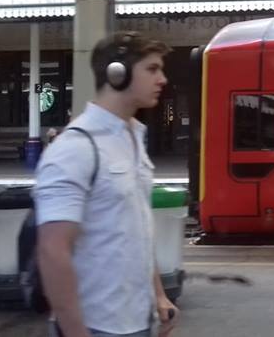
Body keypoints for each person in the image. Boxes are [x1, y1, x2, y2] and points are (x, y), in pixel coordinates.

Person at [33, 31, 178, 337]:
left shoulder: (133, 138)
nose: (162, 79)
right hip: (96, 325)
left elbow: (136, 230)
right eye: (152, 69)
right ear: (117, 73)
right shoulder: (76, 148)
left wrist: (159, 295)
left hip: (138, 320)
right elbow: (52, 250)